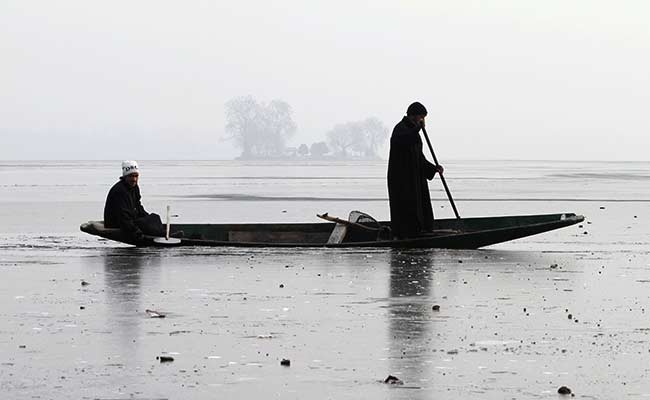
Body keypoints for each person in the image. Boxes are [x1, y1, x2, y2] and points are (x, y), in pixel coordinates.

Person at [387, 102, 444, 238]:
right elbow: (405, 140)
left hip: (415, 177)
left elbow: (419, 157)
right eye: (421, 117)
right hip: (401, 179)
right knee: (406, 206)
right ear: (413, 116)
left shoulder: (415, 132)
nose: (422, 121)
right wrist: (418, 128)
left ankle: (422, 230)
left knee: (421, 205)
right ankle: (405, 234)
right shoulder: (400, 129)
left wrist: (433, 168)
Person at [104, 161, 165, 243]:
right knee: (149, 222)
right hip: (116, 223)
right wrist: (136, 232)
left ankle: (164, 234)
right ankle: (164, 235)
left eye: (136, 176)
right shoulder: (119, 191)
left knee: (154, 217)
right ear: (125, 177)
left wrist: (147, 218)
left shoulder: (134, 187)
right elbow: (122, 216)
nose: (134, 179)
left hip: (129, 219)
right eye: (131, 176)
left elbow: (138, 206)